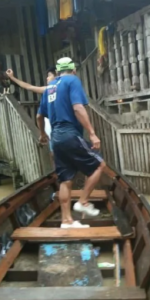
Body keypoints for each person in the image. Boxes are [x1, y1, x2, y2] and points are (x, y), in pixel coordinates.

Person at [36, 57, 105, 228]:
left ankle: (66, 221)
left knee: (65, 180)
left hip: (56, 139)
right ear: (73, 70)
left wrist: (43, 134)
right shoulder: (72, 80)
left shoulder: (49, 87)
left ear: (58, 71)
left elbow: (39, 116)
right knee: (99, 165)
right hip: (69, 134)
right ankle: (83, 201)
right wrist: (92, 133)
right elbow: (78, 108)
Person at [6, 68, 57, 157]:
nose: (47, 78)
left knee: (55, 153)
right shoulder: (47, 89)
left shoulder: (53, 89)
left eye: (49, 76)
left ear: (57, 76)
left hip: (58, 124)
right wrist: (12, 78)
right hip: (53, 123)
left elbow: (39, 116)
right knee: (54, 151)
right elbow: (28, 86)